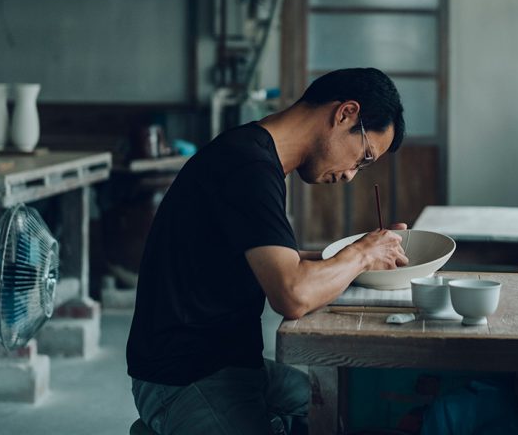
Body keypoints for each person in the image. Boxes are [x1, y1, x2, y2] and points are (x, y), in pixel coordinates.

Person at [127, 67, 409, 435]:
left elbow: (281, 262)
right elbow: (292, 295)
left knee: (348, 411)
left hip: (233, 365)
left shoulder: (257, 156)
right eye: (363, 157)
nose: (350, 174)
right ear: (346, 114)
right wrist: (360, 256)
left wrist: (361, 255)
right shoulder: (248, 167)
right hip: (185, 374)